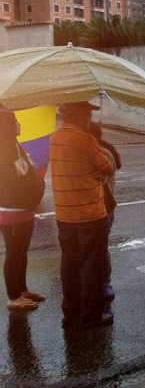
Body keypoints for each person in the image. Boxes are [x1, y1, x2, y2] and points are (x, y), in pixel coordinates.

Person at [50, 101, 115, 331]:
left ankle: (70, 313)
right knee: (91, 265)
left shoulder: (54, 137)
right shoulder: (85, 140)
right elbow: (108, 166)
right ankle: (91, 316)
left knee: (69, 262)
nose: (90, 119)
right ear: (78, 116)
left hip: (64, 214)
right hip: (89, 213)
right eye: (88, 113)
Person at [0, 110, 46, 311]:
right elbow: (13, 180)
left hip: (24, 208)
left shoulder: (14, 146)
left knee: (21, 252)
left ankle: (22, 289)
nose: (19, 124)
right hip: (12, 210)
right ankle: (13, 296)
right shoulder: (4, 150)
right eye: (15, 121)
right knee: (14, 252)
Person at [88, 122, 121, 300]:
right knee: (93, 246)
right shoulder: (93, 151)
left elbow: (98, 177)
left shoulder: (103, 153)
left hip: (105, 206)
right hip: (92, 206)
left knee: (100, 246)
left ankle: (105, 281)